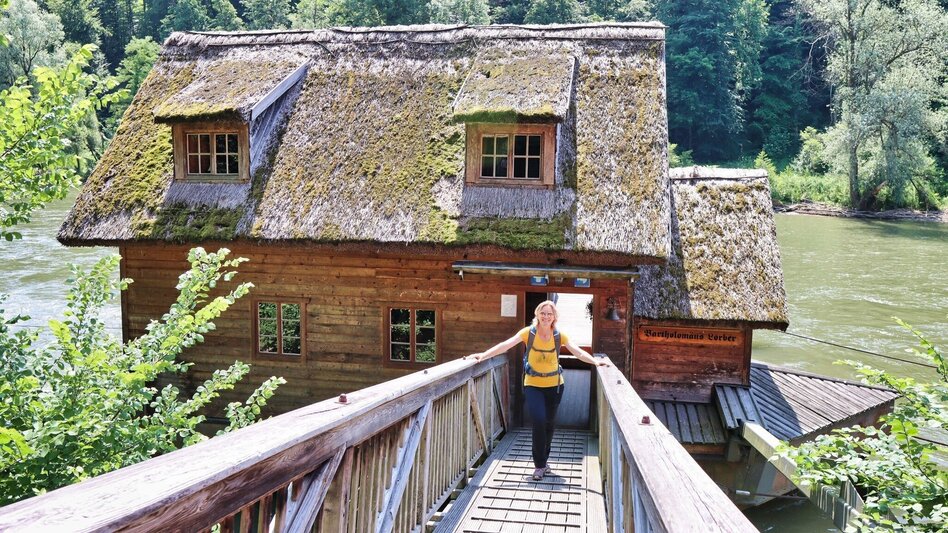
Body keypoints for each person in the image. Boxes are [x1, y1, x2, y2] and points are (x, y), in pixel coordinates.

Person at [465, 300, 609, 481]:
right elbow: (506, 344)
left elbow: (578, 352)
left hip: (555, 386)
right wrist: (483, 355)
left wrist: (595, 362)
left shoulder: (559, 336)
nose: (546, 316)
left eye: (549, 314)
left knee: (549, 424)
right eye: (543, 313)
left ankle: (544, 460)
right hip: (533, 385)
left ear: (554, 317)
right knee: (539, 421)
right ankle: (539, 465)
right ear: (537, 314)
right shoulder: (528, 333)